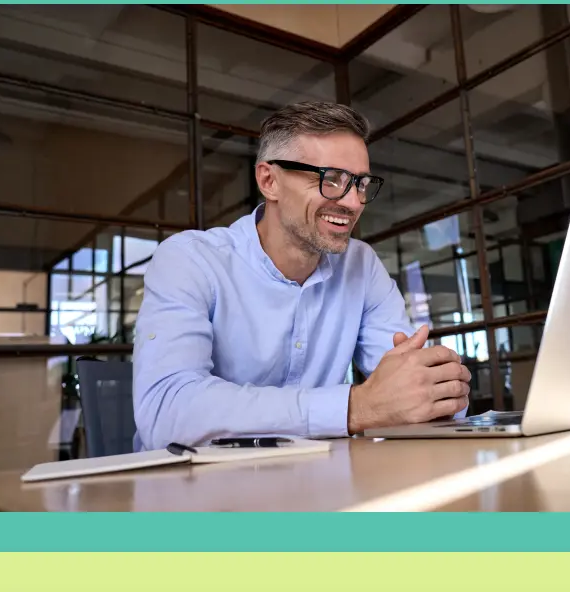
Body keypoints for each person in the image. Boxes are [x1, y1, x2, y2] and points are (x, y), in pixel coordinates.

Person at [132, 101, 471, 451]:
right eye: (331, 179)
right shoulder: (191, 259)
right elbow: (165, 411)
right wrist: (355, 407)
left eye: (361, 183)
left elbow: (409, 392)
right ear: (269, 181)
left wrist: (437, 388)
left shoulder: (361, 265)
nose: (354, 203)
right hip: (192, 491)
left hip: (317, 482)